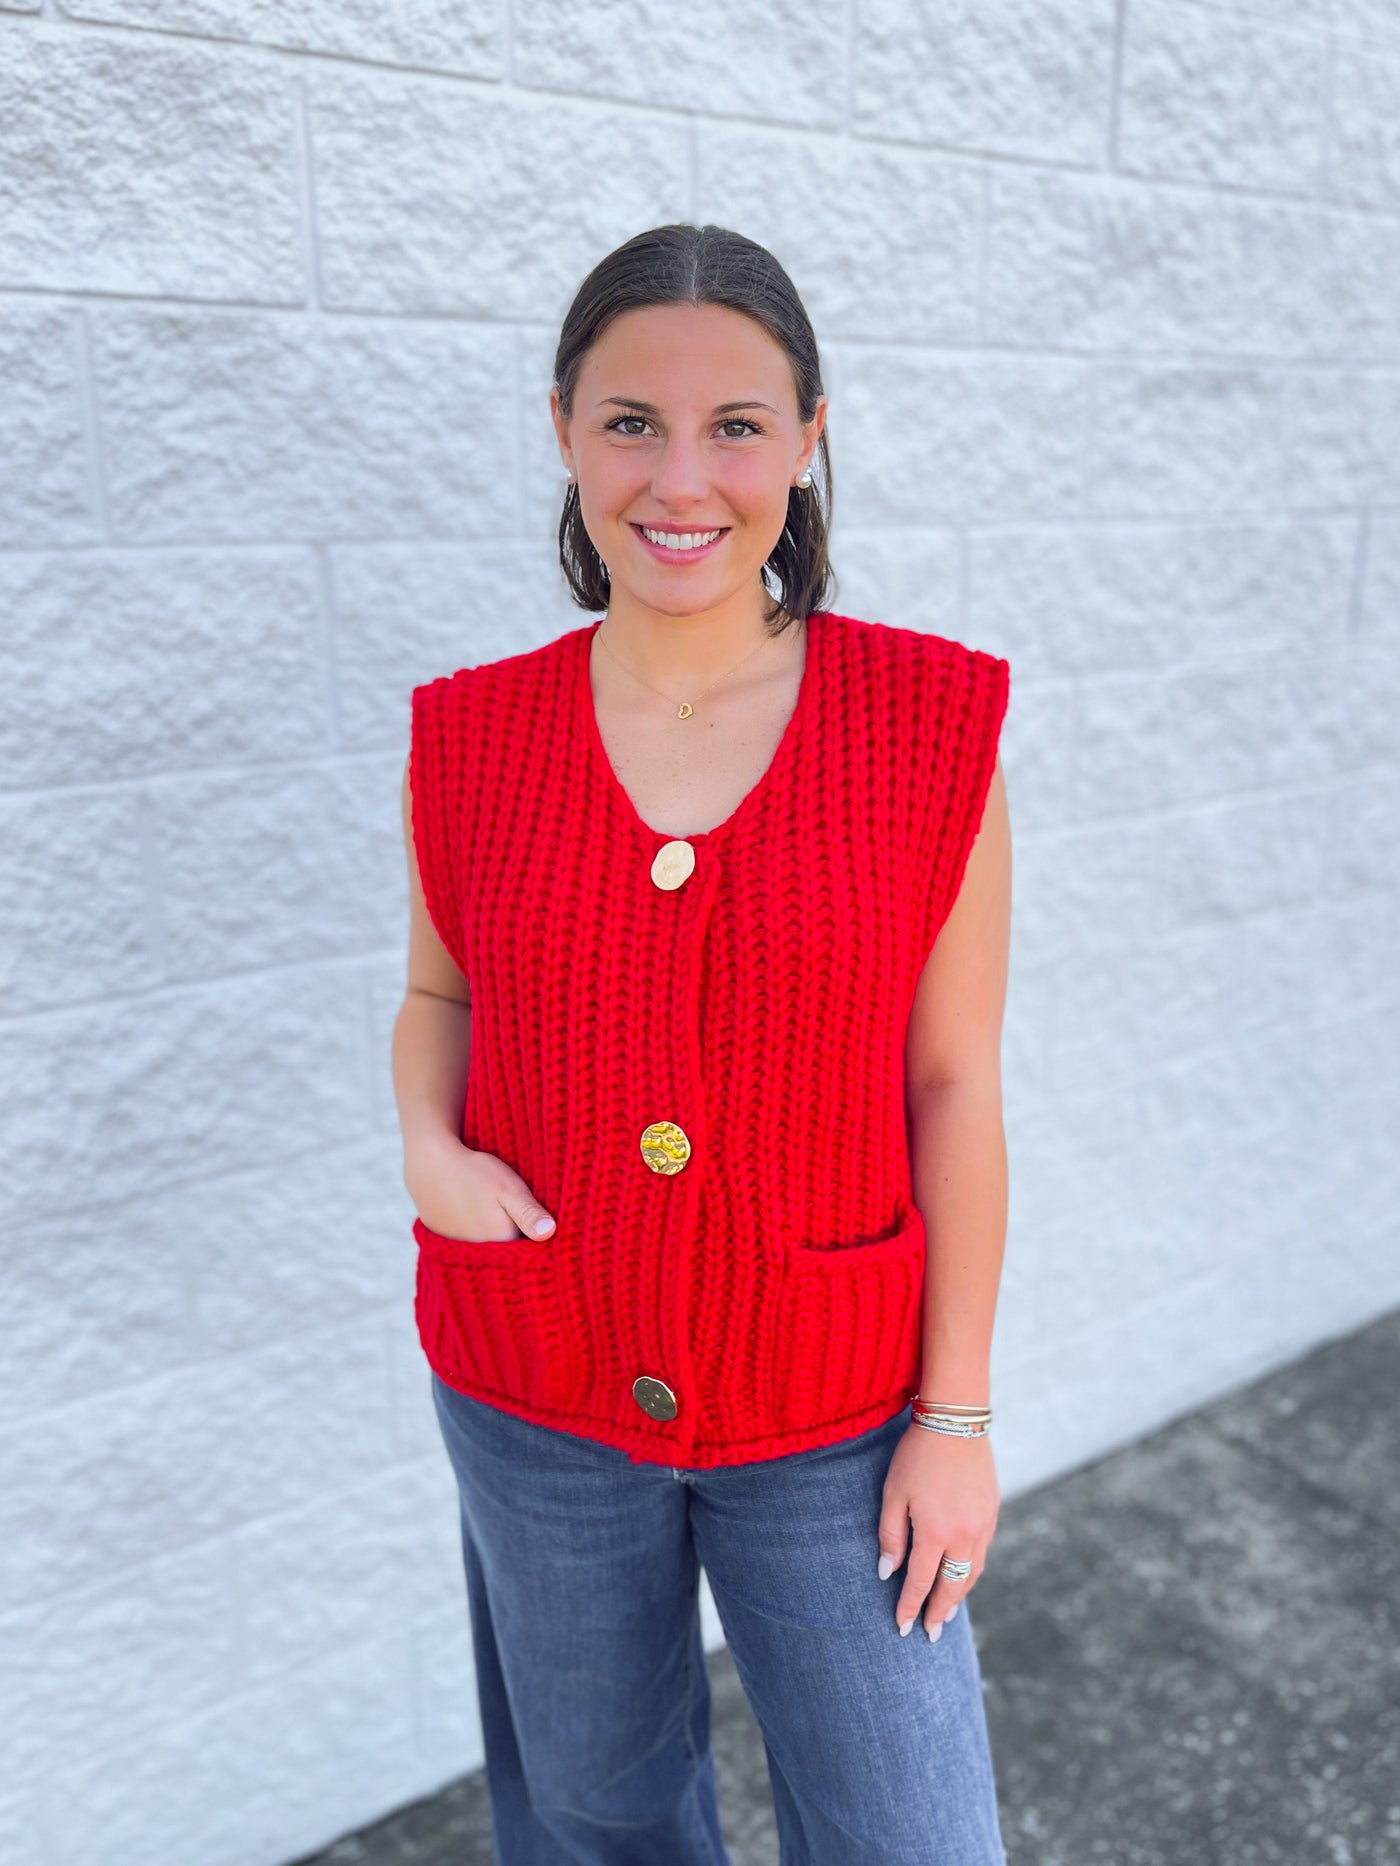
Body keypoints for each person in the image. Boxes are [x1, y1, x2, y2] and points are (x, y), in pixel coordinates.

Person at [391, 222, 1012, 1866]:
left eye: (737, 423)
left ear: (807, 438)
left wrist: (954, 1418)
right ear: (563, 431)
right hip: (538, 1378)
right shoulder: (466, 736)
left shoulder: (926, 726)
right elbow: (437, 996)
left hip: (835, 1407)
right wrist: (427, 1146)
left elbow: (951, 1081)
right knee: (596, 1811)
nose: (682, 476)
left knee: (911, 1834)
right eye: (630, 422)